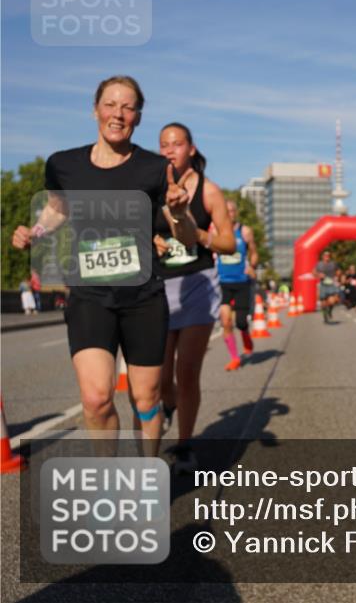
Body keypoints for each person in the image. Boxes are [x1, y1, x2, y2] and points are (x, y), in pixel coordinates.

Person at [10, 75, 195, 456]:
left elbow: (186, 237)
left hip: (142, 296)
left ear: (138, 117)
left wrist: (181, 213)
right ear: (95, 109)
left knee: (145, 399)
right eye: (111, 104)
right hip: (90, 293)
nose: (118, 114)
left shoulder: (154, 168)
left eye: (128, 107)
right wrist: (36, 231)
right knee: (95, 398)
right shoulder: (63, 164)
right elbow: (57, 207)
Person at [154, 122, 235, 473]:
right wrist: (152, 242)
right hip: (158, 288)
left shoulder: (209, 191)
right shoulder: (151, 189)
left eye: (177, 143)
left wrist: (200, 234)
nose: (170, 149)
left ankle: (184, 445)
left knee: (187, 372)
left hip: (198, 285)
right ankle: (169, 405)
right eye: (164, 145)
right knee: (158, 378)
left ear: (191, 148)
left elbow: (228, 243)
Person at [217, 199, 259, 371]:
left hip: (241, 282)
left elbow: (254, 253)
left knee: (241, 322)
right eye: (225, 211)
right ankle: (234, 357)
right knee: (226, 321)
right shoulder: (215, 230)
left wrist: (252, 266)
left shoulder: (245, 231)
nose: (229, 214)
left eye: (232, 211)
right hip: (222, 282)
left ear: (236, 213)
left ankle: (246, 335)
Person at [314, 250, 340, 323]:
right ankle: (325, 314)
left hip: (331, 284)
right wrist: (318, 275)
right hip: (323, 284)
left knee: (333, 301)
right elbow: (313, 272)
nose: (327, 257)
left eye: (328, 256)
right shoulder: (319, 264)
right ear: (323, 257)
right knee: (323, 303)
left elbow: (338, 271)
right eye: (325, 256)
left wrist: (337, 276)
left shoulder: (333, 264)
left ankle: (329, 311)